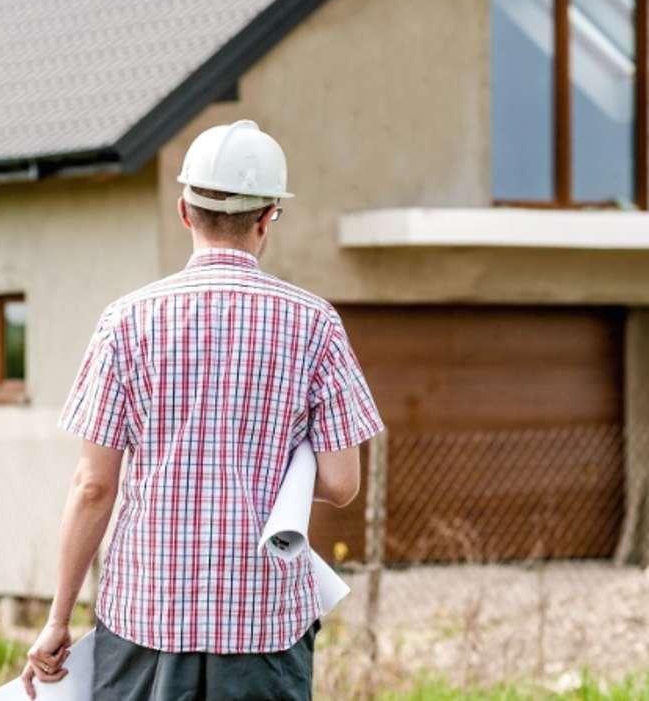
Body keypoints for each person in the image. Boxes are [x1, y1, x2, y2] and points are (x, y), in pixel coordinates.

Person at [21, 120, 383, 700]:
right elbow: (342, 483)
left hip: (145, 617)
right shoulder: (316, 324)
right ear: (267, 218)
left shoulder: (126, 322)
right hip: (264, 622)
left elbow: (93, 487)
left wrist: (58, 619)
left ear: (185, 212)